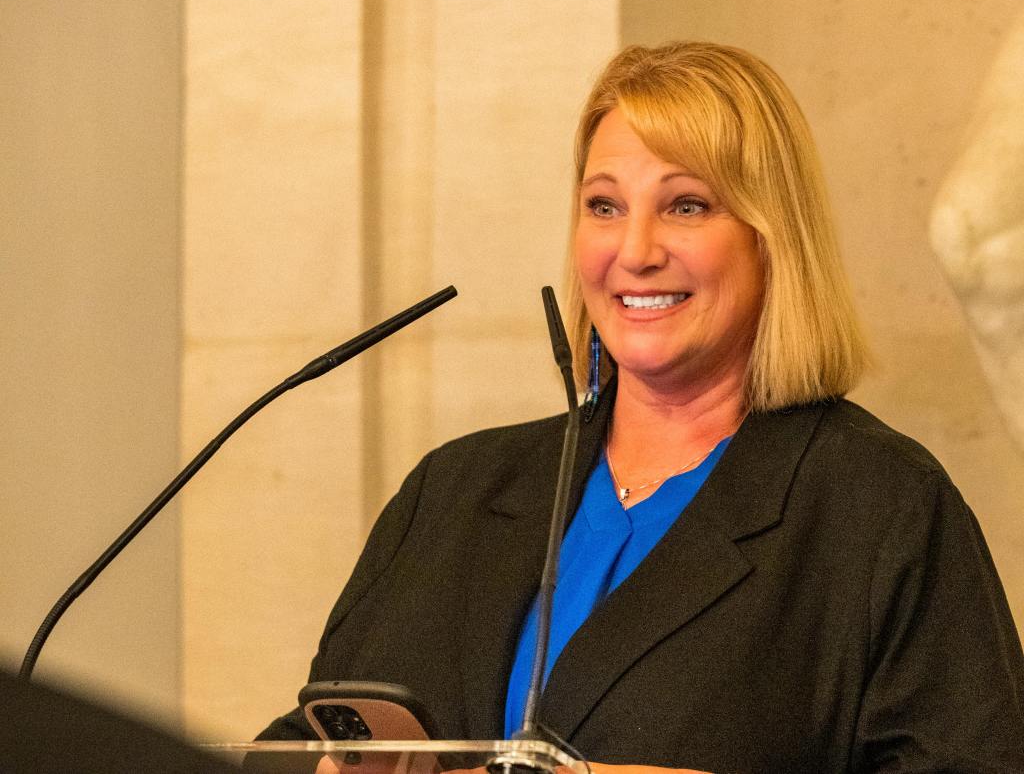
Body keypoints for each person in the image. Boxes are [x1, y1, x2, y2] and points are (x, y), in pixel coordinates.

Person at [257, 43, 1024, 773]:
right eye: (604, 205)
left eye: (686, 205)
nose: (636, 249)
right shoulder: (451, 490)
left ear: (771, 240)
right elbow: (292, 746)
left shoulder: (880, 507)